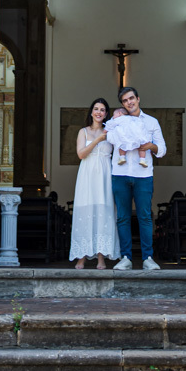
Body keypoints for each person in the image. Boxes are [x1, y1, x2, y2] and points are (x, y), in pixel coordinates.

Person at [109, 86, 166, 271]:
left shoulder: (151, 122)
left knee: (145, 217)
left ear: (138, 99)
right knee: (123, 217)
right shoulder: (117, 120)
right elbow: (108, 138)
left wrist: (150, 146)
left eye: (131, 98)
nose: (129, 102)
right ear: (122, 104)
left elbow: (162, 149)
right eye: (125, 100)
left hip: (143, 176)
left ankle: (148, 258)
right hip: (120, 174)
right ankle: (125, 257)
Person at [68, 97, 120, 269]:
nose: (99, 112)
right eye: (96, 109)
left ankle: (101, 258)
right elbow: (81, 154)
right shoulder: (83, 132)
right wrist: (98, 140)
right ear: (91, 112)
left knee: (103, 213)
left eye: (103, 110)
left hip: (104, 177)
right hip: (87, 177)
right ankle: (81, 257)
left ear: (106, 114)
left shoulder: (111, 131)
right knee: (86, 213)